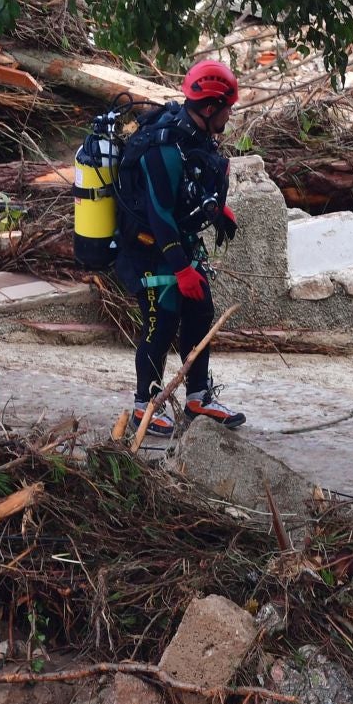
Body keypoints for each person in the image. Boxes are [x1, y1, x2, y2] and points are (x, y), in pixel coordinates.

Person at [115, 60, 246, 438]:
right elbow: (158, 214)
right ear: (209, 108)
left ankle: (198, 397)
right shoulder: (164, 148)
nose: (229, 114)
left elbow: (189, 185)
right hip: (148, 249)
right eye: (227, 108)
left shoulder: (195, 135)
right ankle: (145, 406)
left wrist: (219, 210)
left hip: (176, 243)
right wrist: (181, 268)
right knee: (162, 322)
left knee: (201, 309)